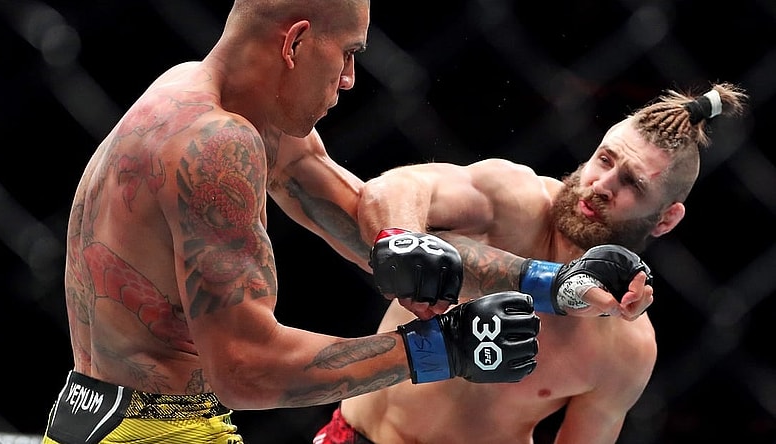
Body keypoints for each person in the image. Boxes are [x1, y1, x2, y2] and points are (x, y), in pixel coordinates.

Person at [41, 1, 543, 443]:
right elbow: (244, 368)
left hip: (92, 413)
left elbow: (362, 223)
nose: (349, 78)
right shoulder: (216, 142)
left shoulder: (194, 93)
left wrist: (545, 281)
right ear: (296, 42)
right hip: (163, 431)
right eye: (348, 52)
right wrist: (442, 348)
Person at [313, 82, 748, 444]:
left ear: (667, 219)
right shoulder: (514, 201)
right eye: (604, 159)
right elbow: (400, 185)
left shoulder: (627, 347)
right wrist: (401, 238)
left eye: (631, 183)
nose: (601, 185)